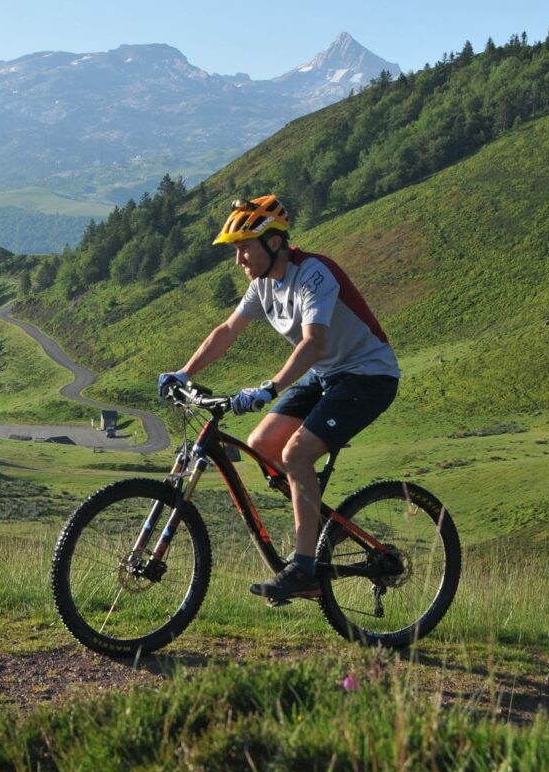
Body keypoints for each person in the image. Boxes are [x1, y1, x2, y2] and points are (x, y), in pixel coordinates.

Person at [158, 195, 400, 601]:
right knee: (261, 446)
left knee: (296, 455)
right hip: (326, 376)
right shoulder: (262, 286)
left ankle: (304, 568)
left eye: (244, 247)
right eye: (235, 250)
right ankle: (322, 533)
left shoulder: (314, 275)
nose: (239, 259)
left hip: (368, 376)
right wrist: (184, 372)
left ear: (274, 243)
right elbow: (227, 331)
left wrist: (270, 387)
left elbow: (313, 343)